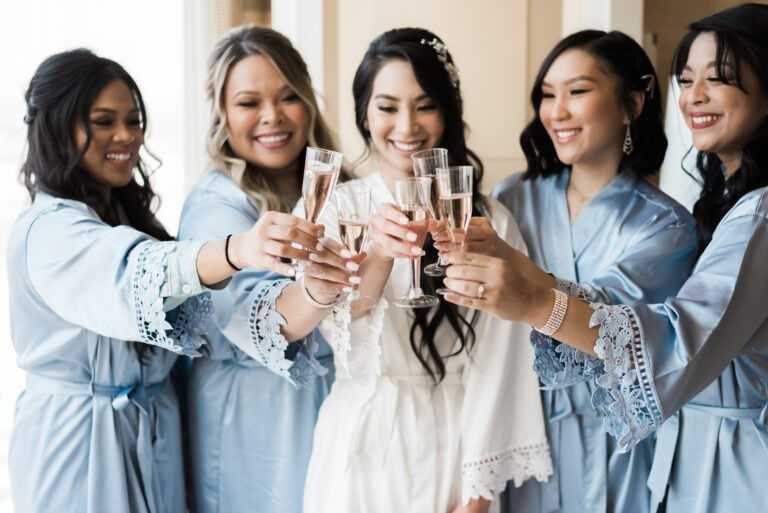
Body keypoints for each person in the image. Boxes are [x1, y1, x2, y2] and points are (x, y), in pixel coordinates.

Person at [441, 4, 768, 512]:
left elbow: (675, 335)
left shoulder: (728, 218)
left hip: (708, 456)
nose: (696, 95)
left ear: (632, 104)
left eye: (719, 78)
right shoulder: (726, 206)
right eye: (686, 79)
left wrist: (532, 301)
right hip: (527, 429)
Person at [8, 49, 309, 513]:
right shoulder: (48, 229)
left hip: (156, 436)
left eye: (133, 120)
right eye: (104, 121)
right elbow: (133, 273)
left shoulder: (122, 217)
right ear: (57, 128)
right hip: (81, 443)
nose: (126, 136)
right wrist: (237, 250)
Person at [298, 28, 552, 513]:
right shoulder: (335, 208)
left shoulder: (486, 220)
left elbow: (506, 356)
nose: (407, 126)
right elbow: (328, 327)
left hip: (453, 443)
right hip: (358, 446)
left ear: (448, 112)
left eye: (425, 105)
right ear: (364, 114)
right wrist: (378, 249)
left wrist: (479, 493)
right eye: (388, 107)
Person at [479, 30, 698, 513]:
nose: (556, 112)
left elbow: (614, 324)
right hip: (524, 436)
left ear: (633, 104)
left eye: (577, 92)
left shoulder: (667, 227)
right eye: (547, 95)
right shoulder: (512, 199)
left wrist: (526, 292)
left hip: (620, 451)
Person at [178, 26, 353, 513]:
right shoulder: (214, 206)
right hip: (254, 421)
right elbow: (262, 318)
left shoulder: (342, 189)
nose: (273, 117)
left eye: (288, 97)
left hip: (334, 410)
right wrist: (318, 293)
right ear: (222, 113)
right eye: (249, 102)